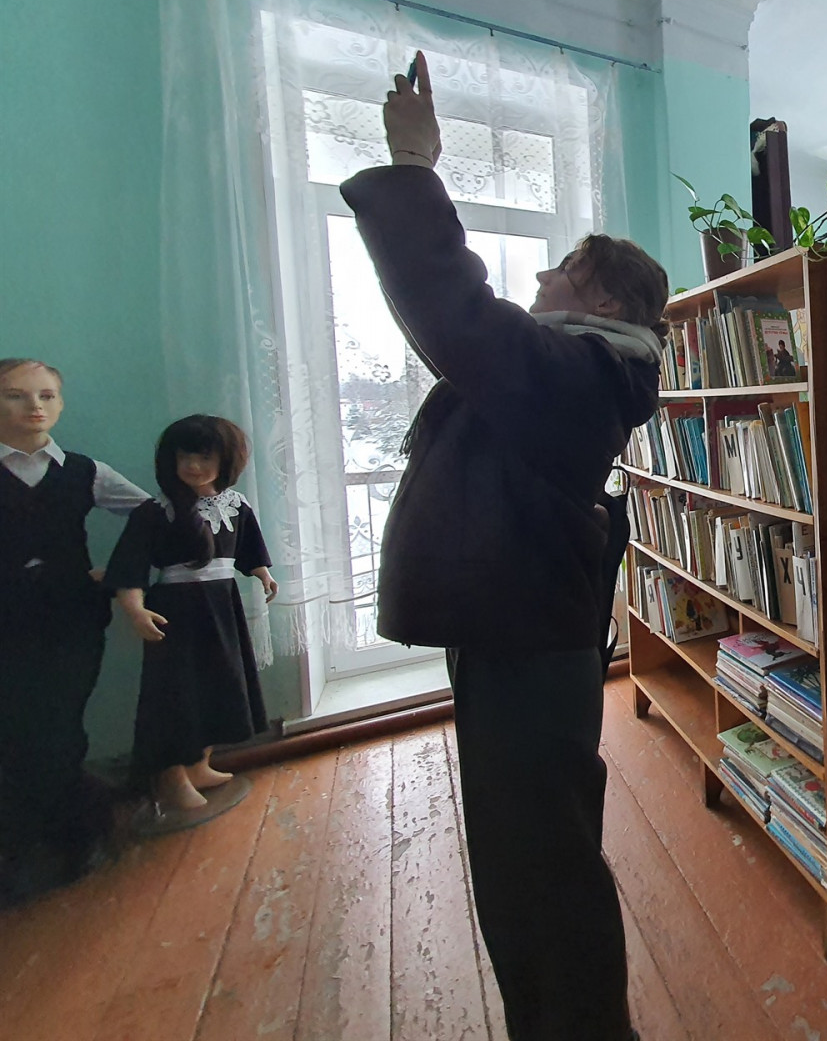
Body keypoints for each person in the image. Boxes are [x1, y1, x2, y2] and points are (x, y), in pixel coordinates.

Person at [340, 51, 667, 1041]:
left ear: (604, 303)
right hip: (520, 632)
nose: (539, 274)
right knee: (527, 859)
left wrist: (414, 166)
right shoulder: (576, 368)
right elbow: (463, 339)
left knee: (540, 868)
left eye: (561, 267)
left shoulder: (581, 375)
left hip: (530, 643)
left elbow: (457, 314)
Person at [0, 358, 150, 901]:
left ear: (60, 404)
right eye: (16, 395)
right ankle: (23, 841)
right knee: (14, 728)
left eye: (46, 395)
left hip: (71, 617)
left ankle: (73, 836)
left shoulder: (85, 471)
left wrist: (120, 571)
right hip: (5, 621)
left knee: (62, 723)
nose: (34, 406)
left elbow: (151, 516)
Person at [105, 416, 276, 813]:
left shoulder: (235, 505)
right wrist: (135, 609)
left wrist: (262, 574)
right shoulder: (156, 511)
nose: (194, 466)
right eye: (185, 457)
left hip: (223, 608)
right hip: (175, 613)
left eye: (205, 457)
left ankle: (200, 764)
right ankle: (171, 778)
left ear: (226, 459)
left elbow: (248, 549)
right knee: (176, 694)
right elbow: (128, 567)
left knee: (220, 684)